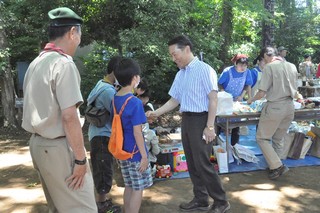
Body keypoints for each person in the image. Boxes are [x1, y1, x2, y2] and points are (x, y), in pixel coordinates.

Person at [21, 7, 97, 212]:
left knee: (58, 207)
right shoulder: (63, 64)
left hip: (38, 146)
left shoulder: (36, 63)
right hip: (59, 149)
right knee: (82, 209)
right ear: (73, 32)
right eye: (79, 34)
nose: (79, 40)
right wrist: (80, 159)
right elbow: (69, 116)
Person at [146, 35, 230, 213]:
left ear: (186, 49)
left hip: (203, 119)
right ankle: (200, 199)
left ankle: (221, 201)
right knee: (192, 162)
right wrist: (156, 112)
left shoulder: (205, 70)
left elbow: (213, 100)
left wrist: (209, 126)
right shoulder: (181, 74)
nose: (173, 58)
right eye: (171, 55)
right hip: (188, 120)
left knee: (203, 163)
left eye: (174, 54)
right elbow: (174, 99)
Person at [247, 46, 298, 180]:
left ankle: (277, 166)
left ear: (266, 56)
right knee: (278, 138)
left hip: (275, 107)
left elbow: (262, 92)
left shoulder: (270, 67)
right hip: (290, 106)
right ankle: (275, 165)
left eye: (263, 59)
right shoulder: (292, 66)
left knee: (262, 138)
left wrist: (251, 99)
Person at [113, 58, 153, 213]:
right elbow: (137, 132)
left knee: (129, 185)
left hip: (122, 150)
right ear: (135, 78)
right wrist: (144, 156)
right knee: (138, 189)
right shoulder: (135, 102)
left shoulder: (116, 97)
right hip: (135, 153)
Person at [87, 56, 122, 213]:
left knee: (101, 167)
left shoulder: (100, 84)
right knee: (103, 169)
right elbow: (118, 113)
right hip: (103, 136)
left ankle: (103, 201)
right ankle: (101, 205)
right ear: (116, 72)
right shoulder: (108, 91)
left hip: (96, 134)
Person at [217, 54, 253, 146]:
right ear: (235, 63)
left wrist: (242, 96)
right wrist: (224, 94)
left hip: (237, 101)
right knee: (220, 124)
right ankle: (215, 146)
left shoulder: (247, 72)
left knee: (236, 125)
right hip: (224, 100)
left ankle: (234, 147)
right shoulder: (227, 71)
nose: (243, 67)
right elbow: (219, 84)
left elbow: (247, 84)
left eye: (245, 65)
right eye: (241, 65)